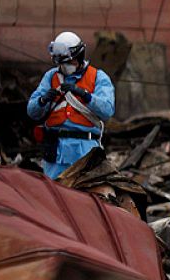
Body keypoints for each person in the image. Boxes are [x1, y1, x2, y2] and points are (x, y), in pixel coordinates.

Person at [27, 32, 115, 179]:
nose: (65, 66)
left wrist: (85, 95)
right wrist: (43, 100)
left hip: (85, 150)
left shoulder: (98, 77)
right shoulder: (51, 76)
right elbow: (32, 111)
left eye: (69, 62)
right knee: (53, 195)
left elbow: (107, 110)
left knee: (86, 195)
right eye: (61, 63)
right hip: (56, 151)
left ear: (79, 57)